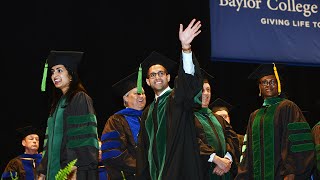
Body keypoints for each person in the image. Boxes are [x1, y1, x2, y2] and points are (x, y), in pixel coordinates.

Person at [136, 18, 203, 180]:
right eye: (152, 75)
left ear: (168, 77)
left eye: (161, 74)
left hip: (179, 171)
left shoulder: (176, 99)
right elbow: (143, 152)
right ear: (147, 82)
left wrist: (186, 49)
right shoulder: (147, 113)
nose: (157, 77)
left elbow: (188, 84)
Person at [235, 63, 315, 179]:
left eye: (272, 81)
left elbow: (297, 144)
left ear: (278, 84)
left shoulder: (288, 107)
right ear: (259, 87)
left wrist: (291, 173)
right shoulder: (254, 116)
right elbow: (248, 151)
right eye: (264, 82)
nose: (268, 85)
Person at [37, 50, 99, 180]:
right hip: (53, 170)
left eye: (59, 70)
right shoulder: (58, 104)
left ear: (71, 74)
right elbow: (50, 142)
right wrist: (43, 171)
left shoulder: (80, 98)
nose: (54, 75)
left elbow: (83, 136)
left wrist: (73, 167)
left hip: (71, 170)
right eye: (52, 71)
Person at [194, 69, 240, 179]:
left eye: (208, 90)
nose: (206, 94)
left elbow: (232, 139)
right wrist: (216, 159)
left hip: (225, 172)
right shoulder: (188, 117)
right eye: (202, 90)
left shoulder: (219, 119)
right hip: (202, 172)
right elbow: (190, 141)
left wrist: (227, 159)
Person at [100, 69, 146, 180]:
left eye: (143, 93)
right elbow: (112, 154)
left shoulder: (149, 118)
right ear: (125, 98)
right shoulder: (116, 121)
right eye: (137, 93)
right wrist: (141, 167)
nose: (141, 96)